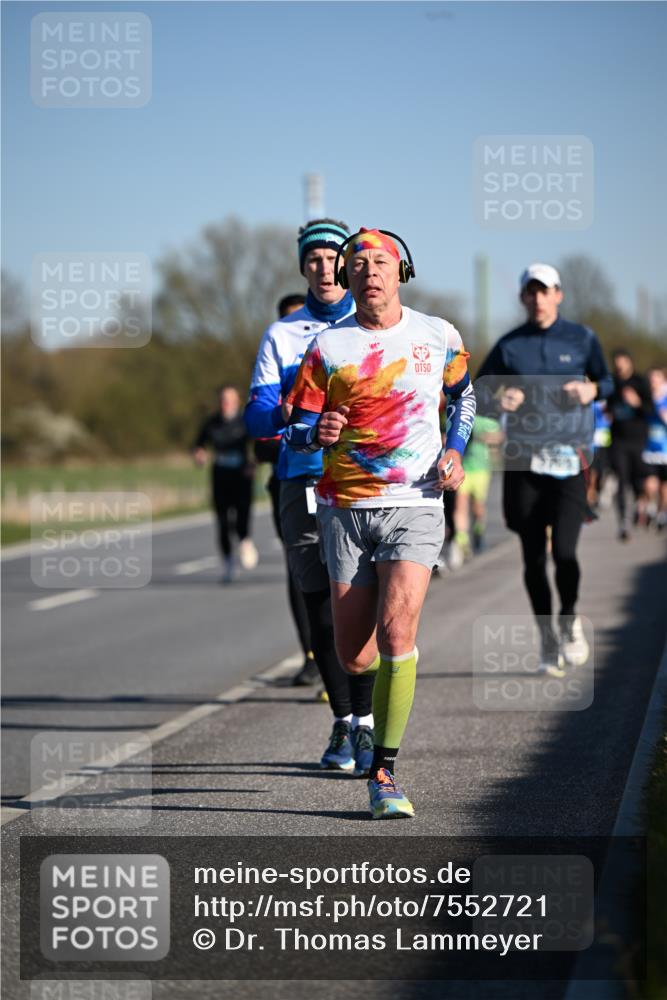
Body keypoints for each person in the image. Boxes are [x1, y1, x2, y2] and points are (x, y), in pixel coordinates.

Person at [286, 227, 475, 819]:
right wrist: (317, 433)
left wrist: (456, 448)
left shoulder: (438, 335)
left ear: (401, 272)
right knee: (355, 655)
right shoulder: (327, 347)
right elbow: (295, 426)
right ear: (347, 278)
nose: (370, 270)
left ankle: (384, 773)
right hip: (344, 508)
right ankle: (362, 720)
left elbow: (464, 398)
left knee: (397, 638)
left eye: (380, 262)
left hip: (416, 504)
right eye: (358, 262)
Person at [245, 219, 376, 775]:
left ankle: (369, 721)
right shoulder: (282, 334)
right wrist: (292, 412)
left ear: (346, 265)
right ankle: (344, 721)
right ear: (303, 268)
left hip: (361, 480)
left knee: (364, 600)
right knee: (319, 603)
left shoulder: (369, 327)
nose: (325, 269)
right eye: (314, 260)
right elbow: (256, 417)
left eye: (332, 259)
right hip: (301, 478)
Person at [475, 263, 613, 676]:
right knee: (533, 559)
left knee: (566, 552)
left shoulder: (581, 337)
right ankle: (548, 640)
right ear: (522, 298)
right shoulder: (509, 345)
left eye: (545, 290)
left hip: (570, 457)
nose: (537, 298)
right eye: (530, 292)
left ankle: (568, 619)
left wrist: (591, 389)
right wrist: (500, 401)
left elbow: (607, 382)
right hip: (523, 460)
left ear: (558, 295)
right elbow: (477, 391)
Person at [254, 293, 317, 686]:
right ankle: (312, 655)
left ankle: (347, 659)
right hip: (287, 478)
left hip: (333, 474)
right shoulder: (275, 369)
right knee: (300, 570)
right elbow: (258, 431)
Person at [193, 385, 258, 583]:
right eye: (222, 400)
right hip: (220, 475)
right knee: (222, 522)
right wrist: (199, 454)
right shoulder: (212, 423)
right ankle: (228, 562)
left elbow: (258, 446)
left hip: (241, 475)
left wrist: (252, 464)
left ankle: (244, 539)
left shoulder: (245, 422)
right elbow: (199, 445)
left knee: (242, 514)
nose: (225, 404)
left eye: (229, 400)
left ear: (237, 401)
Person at [607, 349, 654, 540]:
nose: (619, 367)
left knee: (640, 483)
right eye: (616, 364)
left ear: (629, 362)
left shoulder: (640, 382)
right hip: (618, 440)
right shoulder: (612, 382)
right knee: (621, 481)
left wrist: (636, 402)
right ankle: (623, 523)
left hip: (639, 440)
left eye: (622, 363)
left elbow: (650, 409)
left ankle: (640, 507)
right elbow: (608, 406)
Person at [451, 414, 503, 560]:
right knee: (460, 505)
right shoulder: (463, 415)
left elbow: (499, 437)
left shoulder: (489, 419)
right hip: (463, 468)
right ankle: (462, 542)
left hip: (481, 468)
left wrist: (481, 437)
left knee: (477, 507)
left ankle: (478, 532)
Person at [642, 367, 667, 531]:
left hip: (665, 450)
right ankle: (650, 506)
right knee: (650, 484)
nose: (653, 381)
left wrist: (660, 409)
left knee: (664, 487)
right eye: (651, 378)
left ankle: (661, 513)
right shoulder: (645, 398)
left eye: (656, 377)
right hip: (648, 449)